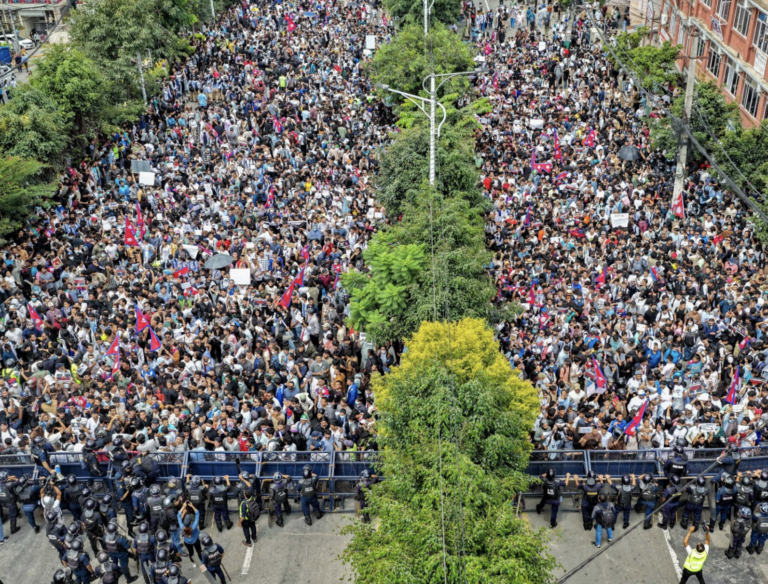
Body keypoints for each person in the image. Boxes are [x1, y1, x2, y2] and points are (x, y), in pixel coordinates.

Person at [178, 502, 203, 568]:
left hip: (187, 542)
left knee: (191, 552)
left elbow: (178, 516)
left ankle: (193, 563)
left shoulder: (182, 526)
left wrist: (183, 507)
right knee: (199, 551)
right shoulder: (193, 526)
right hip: (196, 540)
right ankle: (202, 563)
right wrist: (192, 506)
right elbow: (197, 513)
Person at [0, 470, 20, 536]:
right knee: (12, 515)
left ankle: (2, 518)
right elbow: (19, 481)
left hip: (2, 502)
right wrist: (13, 478)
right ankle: (13, 529)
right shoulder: (9, 484)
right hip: (10, 502)